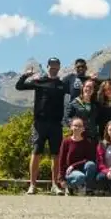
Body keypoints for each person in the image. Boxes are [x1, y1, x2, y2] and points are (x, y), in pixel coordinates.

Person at [15, 57, 67, 195]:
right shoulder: (39, 81)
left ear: (59, 67)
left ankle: (55, 185)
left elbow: (76, 90)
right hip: (40, 124)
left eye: (56, 65)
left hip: (56, 124)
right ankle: (32, 185)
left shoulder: (62, 84)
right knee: (36, 153)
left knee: (56, 155)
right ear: (48, 66)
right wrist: (26, 75)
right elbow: (19, 86)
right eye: (52, 65)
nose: (54, 67)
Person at [58, 117, 98, 195]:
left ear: (83, 128)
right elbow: (61, 160)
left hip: (82, 169)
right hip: (70, 172)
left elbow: (89, 159)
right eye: (75, 125)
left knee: (91, 165)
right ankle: (70, 186)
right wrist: (61, 178)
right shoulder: (66, 141)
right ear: (71, 127)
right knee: (80, 177)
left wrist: (73, 165)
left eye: (80, 126)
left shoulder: (86, 142)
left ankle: (85, 187)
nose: (77, 128)